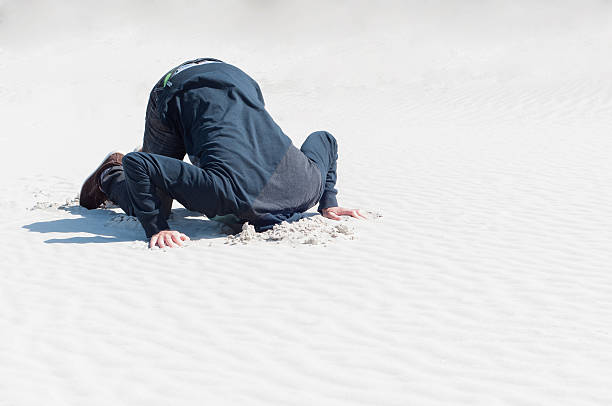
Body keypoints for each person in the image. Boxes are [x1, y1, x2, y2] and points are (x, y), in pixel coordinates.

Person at [79, 58, 364, 248]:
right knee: (155, 202)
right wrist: (156, 227)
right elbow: (137, 163)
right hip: (174, 89)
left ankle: (165, 156)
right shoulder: (227, 197)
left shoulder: (308, 186)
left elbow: (324, 139)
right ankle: (109, 174)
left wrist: (326, 200)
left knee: (207, 150)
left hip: (236, 78)